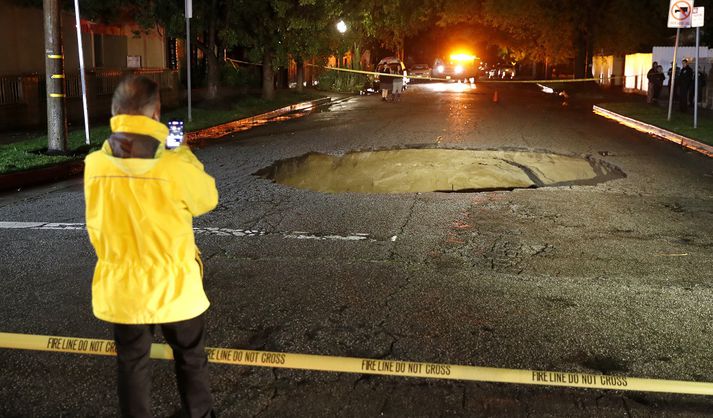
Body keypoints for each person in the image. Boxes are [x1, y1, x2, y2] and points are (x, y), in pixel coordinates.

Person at [84, 75, 219, 418]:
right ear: (156, 114)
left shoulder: (95, 165)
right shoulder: (173, 165)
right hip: (176, 288)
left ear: (116, 112)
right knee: (190, 359)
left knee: (132, 364)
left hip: (123, 289)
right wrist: (182, 151)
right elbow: (207, 198)